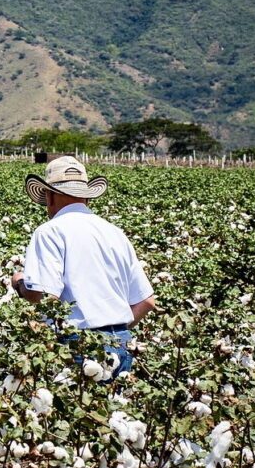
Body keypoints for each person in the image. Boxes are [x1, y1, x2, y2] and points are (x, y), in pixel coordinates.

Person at [11, 156, 155, 378]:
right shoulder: (115, 232)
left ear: (49, 196)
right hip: (122, 344)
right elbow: (146, 301)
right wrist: (114, 334)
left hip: (78, 345)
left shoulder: (50, 232)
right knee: (115, 410)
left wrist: (20, 284)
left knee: (73, 411)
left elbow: (44, 296)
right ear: (86, 197)